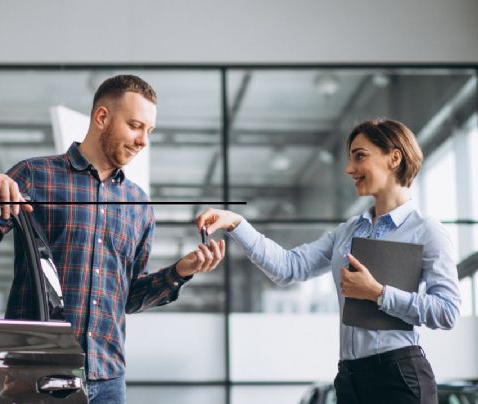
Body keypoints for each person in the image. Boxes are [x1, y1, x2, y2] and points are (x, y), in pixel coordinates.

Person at [0, 74, 225, 404]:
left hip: (108, 381)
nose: (143, 141)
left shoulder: (138, 206)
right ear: (102, 117)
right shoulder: (35, 176)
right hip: (36, 376)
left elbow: (128, 298)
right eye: (135, 126)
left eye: (149, 131)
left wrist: (180, 271)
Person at [196, 119, 460, 404]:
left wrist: (379, 294)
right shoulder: (348, 231)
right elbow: (288, 267)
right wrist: (236, 223)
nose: (349, 169)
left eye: (360, 156)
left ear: (394, 157)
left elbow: (447, 312)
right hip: (349, 378)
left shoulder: (427, 231)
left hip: (399, 378)